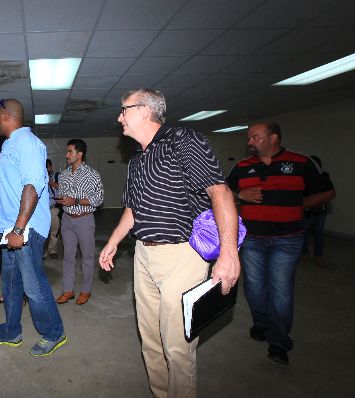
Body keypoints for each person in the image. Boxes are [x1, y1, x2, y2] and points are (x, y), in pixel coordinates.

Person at [99, 89, 240, 397]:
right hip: (143, 255)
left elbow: (221, 193)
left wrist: (228, 254)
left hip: (182, 255)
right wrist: (113, 241)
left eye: (124, 110)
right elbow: (132, 209)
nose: (119, 117)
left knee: (177, 345)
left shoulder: (183, 140)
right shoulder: (137, 159)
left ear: (145, 111)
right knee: (150, 340)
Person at [227, 122, 335, 365]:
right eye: (249, 138)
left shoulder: (301, 162)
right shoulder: (243, 167)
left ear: (273, 137)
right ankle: (261, 323)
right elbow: (221, 194)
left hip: (287, 239)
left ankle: (278, 342)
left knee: (280, 289)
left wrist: (300, 205)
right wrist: (238, 196)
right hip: (252, 238)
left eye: (255, 137)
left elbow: (327, 192)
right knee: (254, 289)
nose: (250, 142)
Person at [0, 98, 66, 357]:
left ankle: (54, 332)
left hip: (25, 229)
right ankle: (11, 332)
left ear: (7, 115)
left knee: (33, 285)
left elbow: (32, 186)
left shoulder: (28, 144)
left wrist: (19, 230)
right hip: (10, 228)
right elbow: (10, 190)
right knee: (10, 284)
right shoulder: (9, 145)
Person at [55, 139, 103, 305]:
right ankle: (68, 290)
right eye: (67, 152)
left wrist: (74, 201)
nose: (67, 155)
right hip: (67, 220)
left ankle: (85, 291)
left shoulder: (92, 175)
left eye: (70, 152)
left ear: (80, 154)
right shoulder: (64, 174)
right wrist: (61, 200)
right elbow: (63, 194)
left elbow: (98, 199)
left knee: (87, 258)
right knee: (68, 256)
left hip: (84, 220)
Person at [302, 155, 331, 268]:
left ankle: (318, 255)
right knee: (304, 231)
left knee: (318, 232)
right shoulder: (302, 178)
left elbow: (327, 193)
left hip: (320, 209)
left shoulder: (324, 176)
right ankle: (304, 253)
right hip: (306, 209)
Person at [44, 159, 61, 259]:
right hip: (42, 210)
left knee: (55, 231)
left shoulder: (58, 176)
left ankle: (52, 250)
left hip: (54, 209)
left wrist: (50, 182)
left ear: (51, 167)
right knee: (43, 232)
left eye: (47, 167)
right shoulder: (37, 177)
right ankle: (43, 252)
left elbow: (63, 188)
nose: (46, 170)